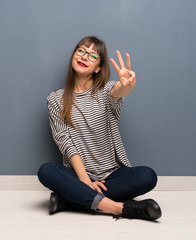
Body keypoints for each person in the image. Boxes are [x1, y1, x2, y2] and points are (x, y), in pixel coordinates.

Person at [37, 36, 162, 221]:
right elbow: (65, 142)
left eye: (93, 55)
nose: (85, 56)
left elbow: (119, 91)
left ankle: (69, 200)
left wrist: (127, 86)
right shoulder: (55, 99)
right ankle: (118, 207)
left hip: (112, 175)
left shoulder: (106, 91)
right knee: (46, 171)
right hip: (78, 175)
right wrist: (85, 181)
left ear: (98, 68)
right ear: (73, 55)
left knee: (147, 176)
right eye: (81, 51)